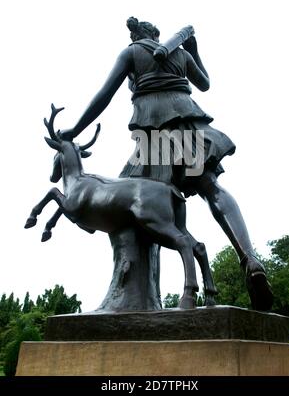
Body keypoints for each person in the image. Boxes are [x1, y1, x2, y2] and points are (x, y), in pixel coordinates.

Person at [61, 17, 273, 311]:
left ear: (136, 37)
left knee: (127, 199)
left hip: (152, 137)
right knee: (210, 187)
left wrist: (75, 130)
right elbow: (205, 83)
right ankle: (248, 256)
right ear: (157, 35)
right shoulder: (180, 53)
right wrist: (194, 49)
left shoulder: (132, 52)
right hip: (187, 123)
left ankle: (134, 296)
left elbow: (104, 96)